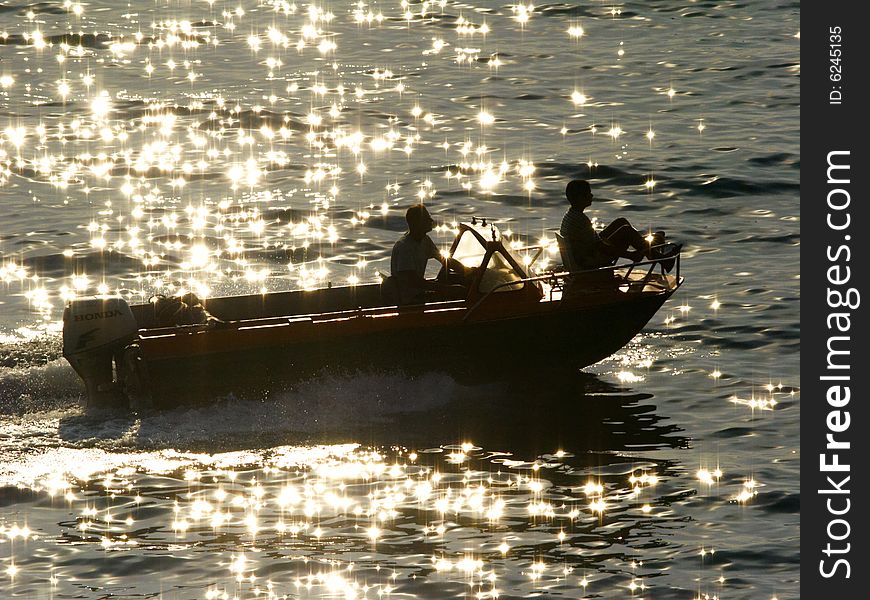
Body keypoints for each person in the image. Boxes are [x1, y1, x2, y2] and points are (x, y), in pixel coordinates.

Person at [559, 179, 656, 270]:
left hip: (586, 252)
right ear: (580, 198)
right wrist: (630, 255)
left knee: (621, 222)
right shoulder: (580, 219)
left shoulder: (571, 215)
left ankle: (650, 251)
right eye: (588, 193)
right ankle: (654, 254)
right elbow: (601, 247)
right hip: (590, 259)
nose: (592, 195)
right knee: (626, 230)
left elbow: (593, 241)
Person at [389, 204, 468, 305]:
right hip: (409, 301)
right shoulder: (405, 247)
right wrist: (447, 289)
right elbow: (414, 282)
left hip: (419, 292)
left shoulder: (425, 240)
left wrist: (466, 271)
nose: (431, 220)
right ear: (416, 223)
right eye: (427, 218)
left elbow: (444, 260)